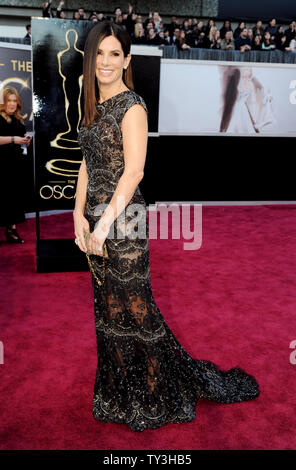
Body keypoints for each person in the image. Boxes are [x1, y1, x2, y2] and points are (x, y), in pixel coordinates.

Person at [74, 20, 260, 432]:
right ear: (90, 58)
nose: (106, 61)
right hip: (95, 225)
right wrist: (76, 214)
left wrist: (102, 225)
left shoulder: (132, 106)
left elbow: (134, 172)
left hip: (124, 224)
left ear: (126, 60)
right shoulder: (91, 103)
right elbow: (88, 163)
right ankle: (121, 391)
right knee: (108, 313)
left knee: (138, 314)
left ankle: (159, 391)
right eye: (99, 53)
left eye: (114, 54)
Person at [0, 87, 32, 242]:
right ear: (3, 102)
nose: (12, 104)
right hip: (2, 164)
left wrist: (26, 141)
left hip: (16, 163)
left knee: (14, 197)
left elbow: (21, 140)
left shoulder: (19, 119)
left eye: (15, 101)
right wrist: (14, 139)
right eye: (9, 101)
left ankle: (12, 230)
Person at [220, 67, 275, 134]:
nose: (244, 76)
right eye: (244, 75)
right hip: (238, 105)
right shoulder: (241, 83)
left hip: (242, 105)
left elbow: (252, 96)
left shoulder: (250, 84)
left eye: (246, 74)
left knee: (243, 120)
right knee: (235, 119)